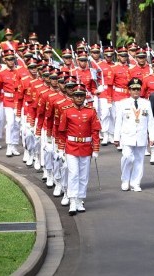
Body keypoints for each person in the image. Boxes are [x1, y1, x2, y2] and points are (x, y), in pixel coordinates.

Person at [58, 84, 101, 216]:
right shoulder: (67, 110)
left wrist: (96, 148)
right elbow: (62, 131)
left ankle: (80, 200)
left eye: (81, 95)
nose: (79, 98)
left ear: (84, 97)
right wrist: (60, 148)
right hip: (71, 146)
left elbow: (95, 131)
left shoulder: (91, 111)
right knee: (73, 174)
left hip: (86, 147)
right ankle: (72, 200)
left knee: (84, 175)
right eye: (76, 95)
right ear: (72, 97)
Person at [113, 78, 154, 192]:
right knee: (127, 157)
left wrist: (152, 137)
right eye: (133, 89)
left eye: (138, 89)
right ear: (129, 90)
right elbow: (118, 122)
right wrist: (116, 138)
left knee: (139, 160)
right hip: (127, 136)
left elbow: (150, 121)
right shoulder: (123, 103)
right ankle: (125, 179)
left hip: (141, 136)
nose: (136, 91)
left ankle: (135, 182)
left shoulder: (146, 103)